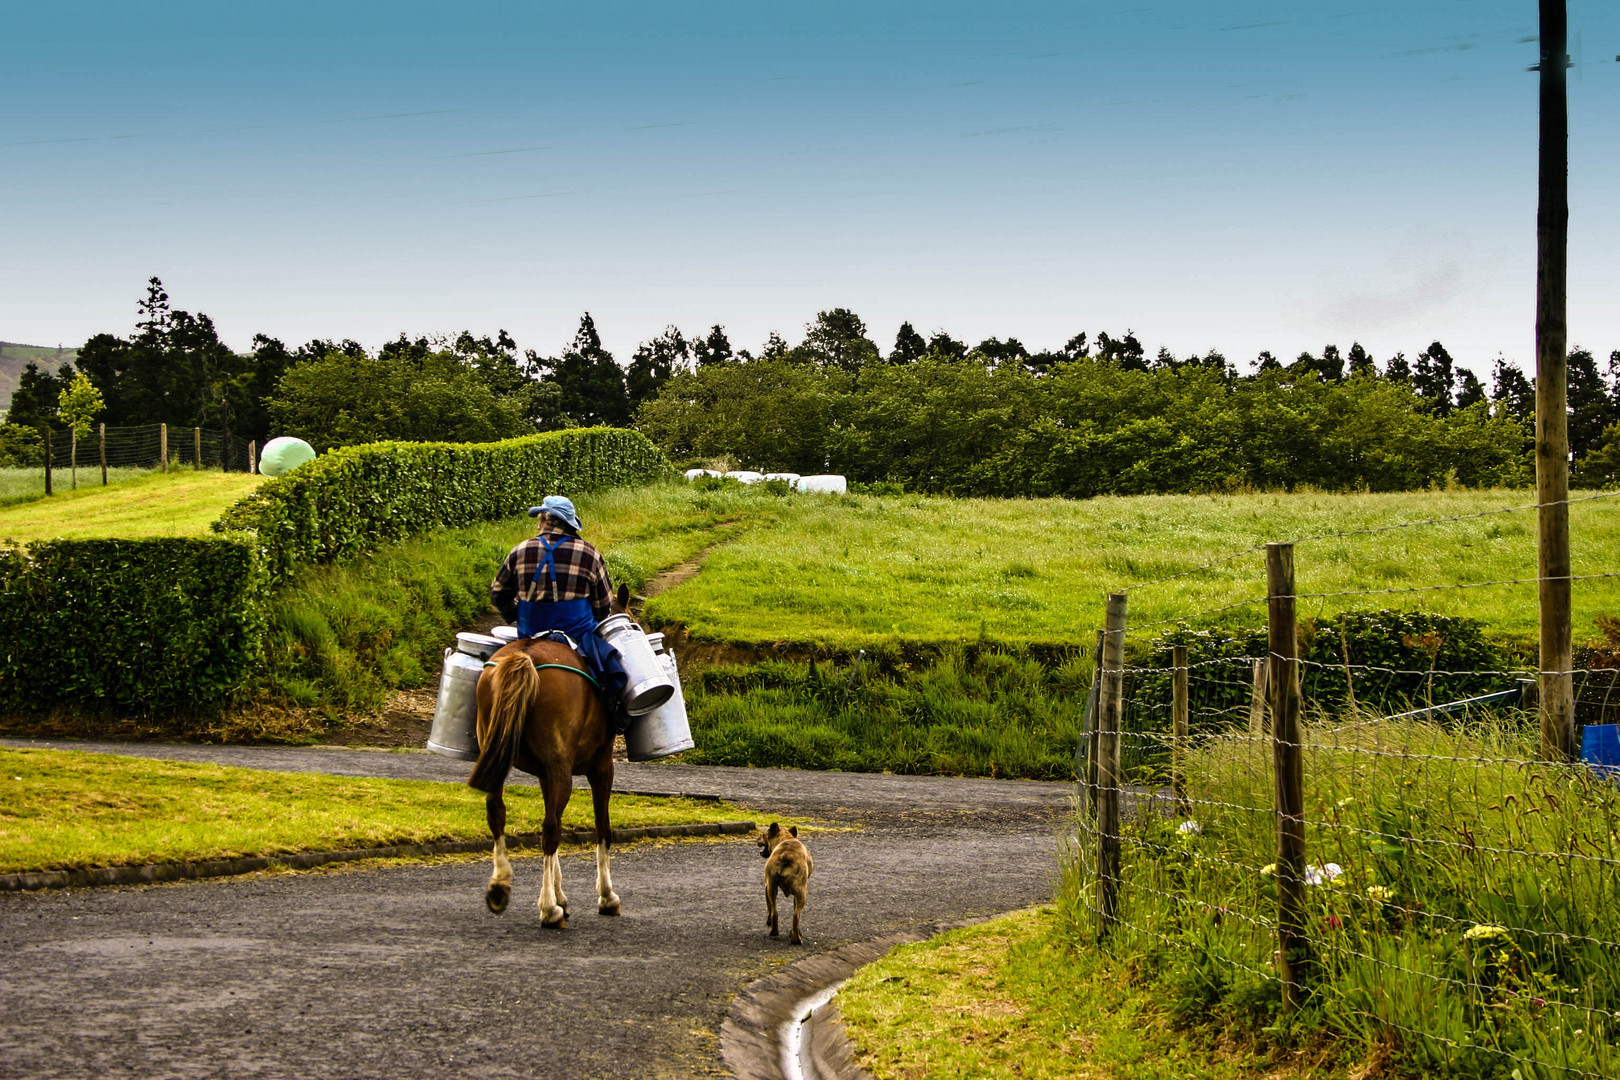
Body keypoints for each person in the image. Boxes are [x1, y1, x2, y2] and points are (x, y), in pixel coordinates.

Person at [489, 495, 629, 729]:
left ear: (546, 519)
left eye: (540, 519)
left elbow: (497, 593)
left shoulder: (521, 550)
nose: (537, 524)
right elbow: (604, 605)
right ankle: (616, 720)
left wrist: (513, 614)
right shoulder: (589, 553)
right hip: (578, 637)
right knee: (613, 671)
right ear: (569, 523)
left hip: (528, 633)